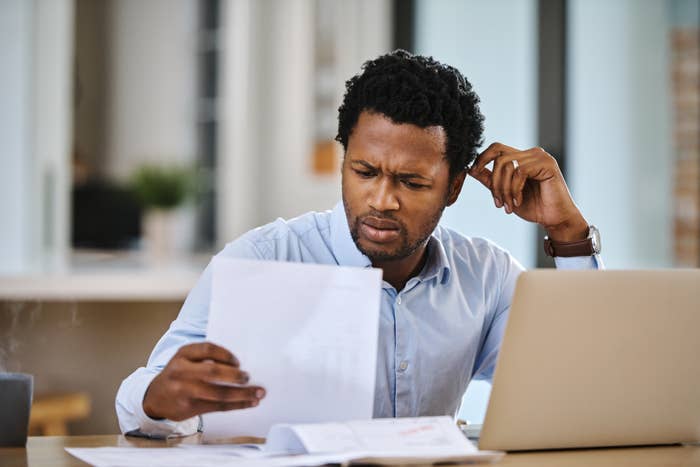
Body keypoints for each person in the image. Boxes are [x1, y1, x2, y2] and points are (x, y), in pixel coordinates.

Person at [116, 50, 602, 438]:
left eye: (412, 183)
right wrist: (160, 398)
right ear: (345, 159)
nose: (382, 200)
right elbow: (141, 405)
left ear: (454, 186)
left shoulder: (486, 276)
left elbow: (578, 384)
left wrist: (569, 233)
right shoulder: (263, 260)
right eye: (364, 172)